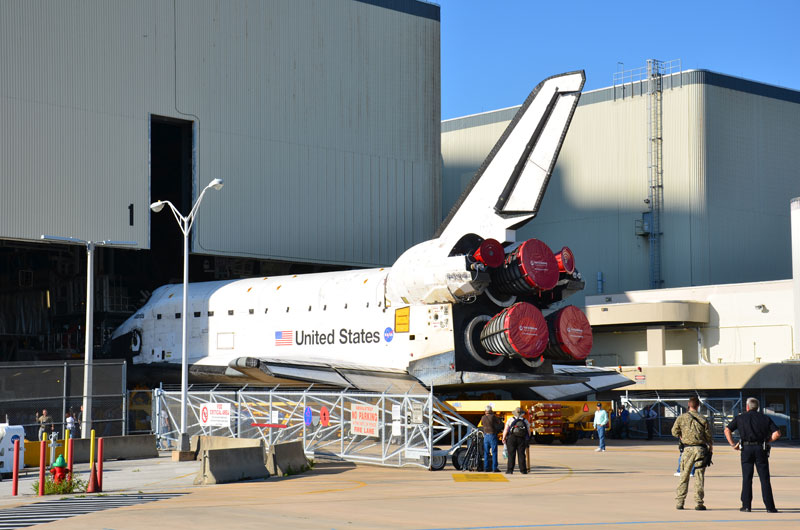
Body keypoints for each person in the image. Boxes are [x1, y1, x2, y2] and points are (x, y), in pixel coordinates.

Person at [724, 397, 781, 513]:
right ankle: (770, 507)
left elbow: (727, 430)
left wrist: (733, 444)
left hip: (746, 449)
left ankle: (746, 505)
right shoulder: (765, 418)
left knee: (747, 477)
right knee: (764, 478)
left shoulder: (740, 418)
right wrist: (767, 440)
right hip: (761, 448)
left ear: (747, 407)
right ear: (758, 407)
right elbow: (777, 433)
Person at [671, 396, 712, 511]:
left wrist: (681, 435)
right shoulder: (703, 419)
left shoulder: (681, 418)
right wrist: (710, 448)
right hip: (700, 450)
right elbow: (708, 437)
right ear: (698, 406)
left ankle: (680, 501)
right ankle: (699, 503)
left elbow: (674, 431)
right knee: (699, 477)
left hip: (687, 450)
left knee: (684, 476)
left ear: (689, 405)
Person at [502, 407, 530, 474]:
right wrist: (527, 438)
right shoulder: (525, 420)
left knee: (511, 454)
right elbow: (528, 431)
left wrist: (504, 437)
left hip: (512, 438)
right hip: (521, 438)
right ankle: (523, 470)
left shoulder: (510, 419)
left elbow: (506, 429)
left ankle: (510, 470)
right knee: (521, 454)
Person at [478, 405, 504, 472]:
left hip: (486, 436)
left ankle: (486, 468)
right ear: (491, 411)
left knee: (486, 452)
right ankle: (494, 468)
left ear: (485, 411)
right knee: (494, 452)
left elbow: (482, 424)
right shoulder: (493, 417)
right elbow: (499, 423)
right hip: (492, 435)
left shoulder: (483, 417)